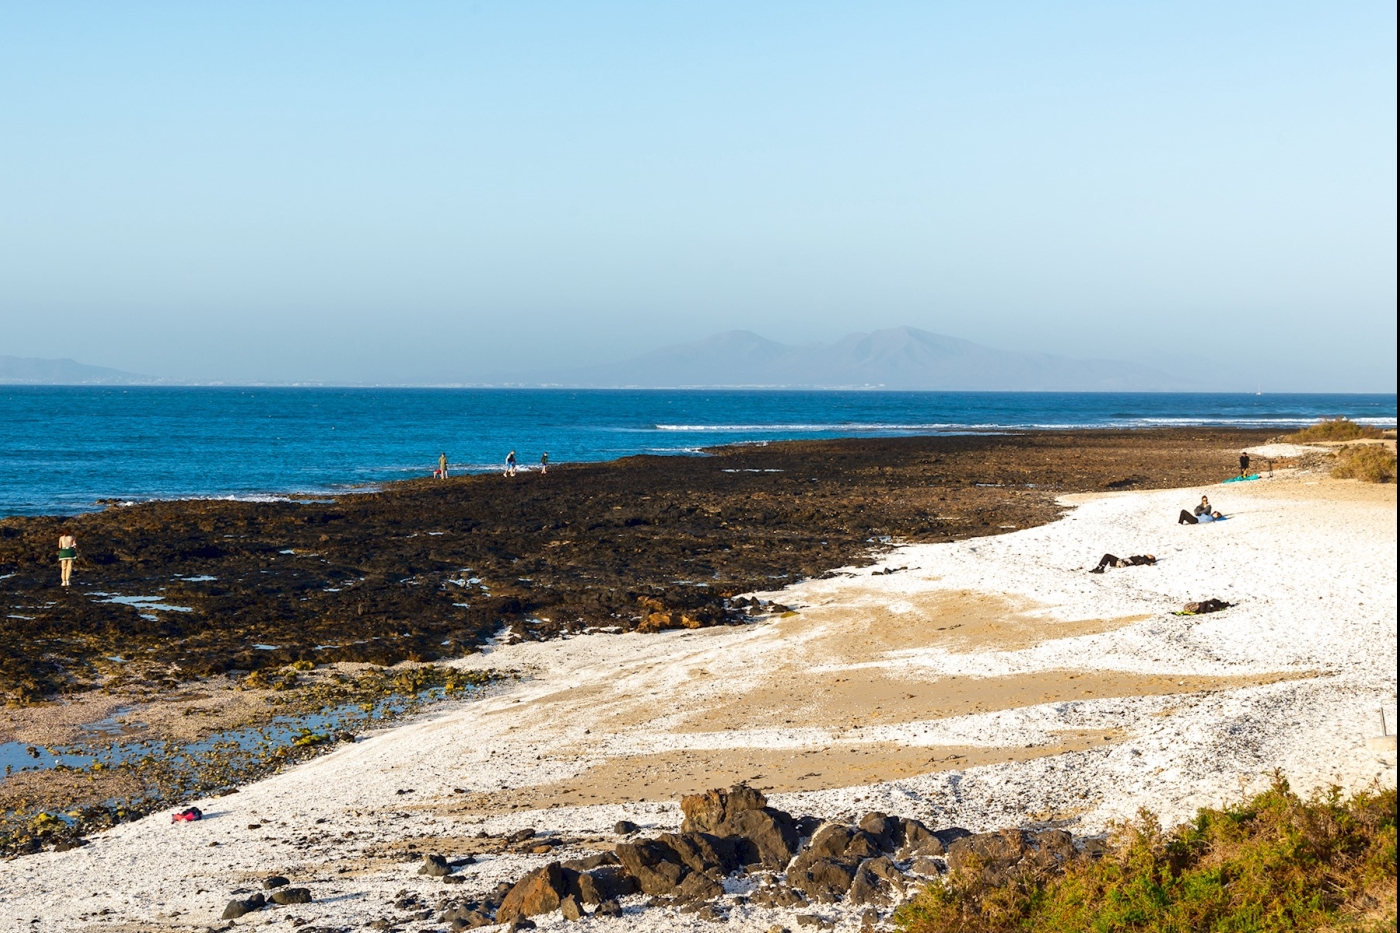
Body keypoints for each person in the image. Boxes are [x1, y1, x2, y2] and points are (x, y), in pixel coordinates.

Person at [1089, 553, 1156, 574]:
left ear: (1150, 558)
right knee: (1107, 556)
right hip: (1121, 562)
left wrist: (1150, 563)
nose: (1150, 554)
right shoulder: (1142, 557)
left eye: (1151, 556)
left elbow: (1145, 561)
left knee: (1107, 555)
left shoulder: (1143, 558)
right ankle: (1098, 568)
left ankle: (1100, 568)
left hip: (1122, 563)